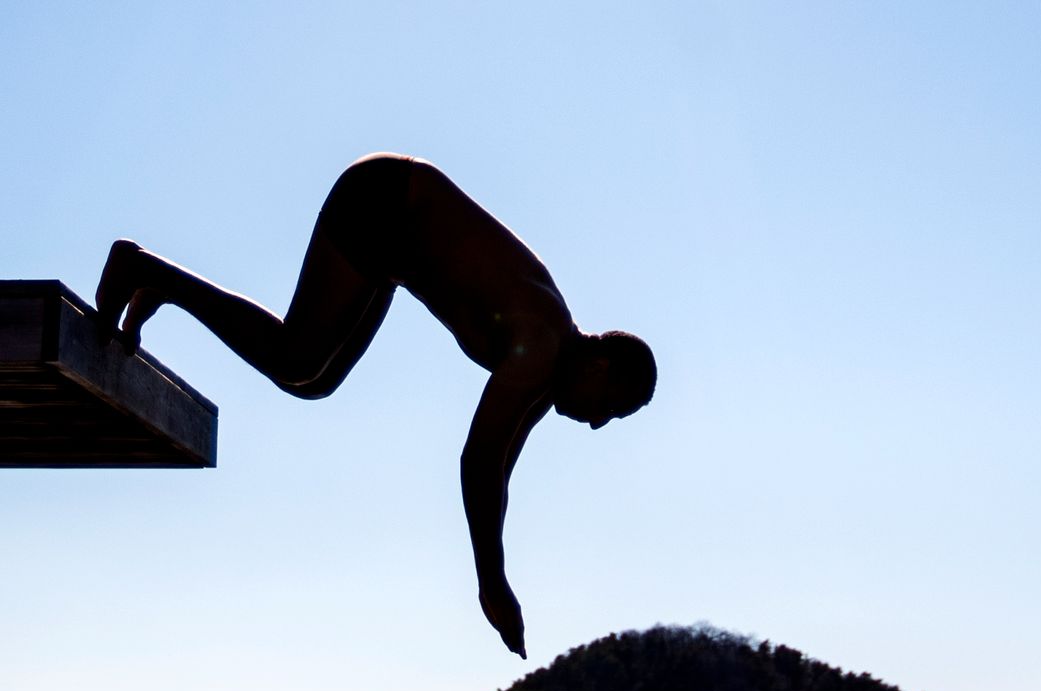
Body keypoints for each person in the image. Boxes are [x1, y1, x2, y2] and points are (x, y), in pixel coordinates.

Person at [94, 153, 656, 657]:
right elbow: (478, 464)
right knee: (297, 358)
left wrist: (495, 572)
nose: (598, 423)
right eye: (611, 408)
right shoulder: (541, 344)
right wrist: (492, 581)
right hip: (384, 201)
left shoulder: (544, 372)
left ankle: (157, 282)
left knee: (311, 382)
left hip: (395, 233)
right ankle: (143, 270)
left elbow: (499, 471)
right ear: (601, 367)